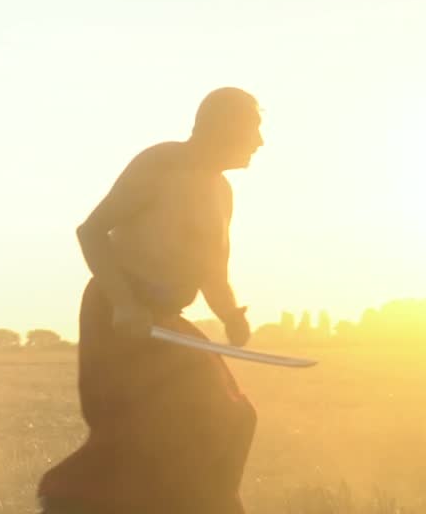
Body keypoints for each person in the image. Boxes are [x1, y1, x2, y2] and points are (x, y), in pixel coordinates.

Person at [37, 88, 264, 514]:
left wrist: (230, 314)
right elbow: (91, 232)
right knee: (142, 430)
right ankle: (67, 502)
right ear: (224, 126)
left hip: (164, 320)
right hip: (117, 317)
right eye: (253, 128)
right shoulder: (160, 164)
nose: (260, 142)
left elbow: (213, 272)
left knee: (232, 415)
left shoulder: (222, 191)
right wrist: (125, 303)